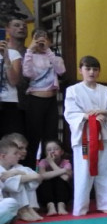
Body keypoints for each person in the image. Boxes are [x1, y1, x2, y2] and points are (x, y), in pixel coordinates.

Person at [64, 55, 107, 216]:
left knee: (106, 170)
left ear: (99, 72)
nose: (91, 72)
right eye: (88, 69)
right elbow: (70, 113)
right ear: (80, 70)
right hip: (85, 137)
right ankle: (81, 207)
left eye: (95, 69)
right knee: (83, 173)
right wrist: (90, 117)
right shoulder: (73, 90)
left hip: (104, 137)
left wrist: (104, 112)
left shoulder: (106, 91)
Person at [22, 28, 66, 168]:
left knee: (50, 137)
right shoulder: (30, 56)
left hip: (51, 101)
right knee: (33, 137)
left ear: (50, 41)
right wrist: (30, 50)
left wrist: (48, 50)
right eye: (37, 38)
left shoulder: (54, 56)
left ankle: (48, 169)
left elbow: (61, 71)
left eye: (45, 38)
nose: (41, 41)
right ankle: (29, 169)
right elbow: (27, 73)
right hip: (35, 100)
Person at [0, 136, 42, 221]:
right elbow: (7, 183)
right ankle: (23, 210)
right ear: (3, 156)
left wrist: (17, 173)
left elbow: (37, 177)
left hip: (15, 203)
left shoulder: (17, 167)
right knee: (17, 181)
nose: (19, 154)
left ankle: (28, 208)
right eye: (15, 153)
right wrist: (20, 176)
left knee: (22, 180)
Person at [0, 17, 27, 139]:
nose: (21, 28)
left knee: (12, 140)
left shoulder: (13, 54)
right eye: (16, 25)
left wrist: (6, 57)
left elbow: (14, 81)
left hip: (10, 102)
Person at [36, 139, 72, 216]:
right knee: (46, 181)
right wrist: (63, 170)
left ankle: (61, 206)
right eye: (49, 150)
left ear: (62, 152)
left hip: (63, 194)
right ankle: (50, 206)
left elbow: (65, 178)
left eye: (56, 149)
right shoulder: (43, 162)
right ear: (45, 153)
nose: (52, 151)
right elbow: (42, 176)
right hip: (47, 195)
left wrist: (51, 163)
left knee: (60, 181)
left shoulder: (66, 163)